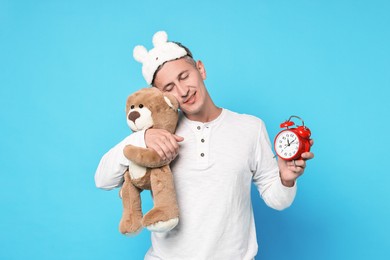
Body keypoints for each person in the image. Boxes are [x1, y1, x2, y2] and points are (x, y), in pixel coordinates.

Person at [95, 31, 314, 260]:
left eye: (184, 76)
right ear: (161, 96)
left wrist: (287, 179)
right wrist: (142, 138)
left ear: (200, 69)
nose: (182, 91)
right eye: (168, 88)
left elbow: (277, 200)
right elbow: (103, 180)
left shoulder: (250, 127)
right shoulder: (156, 136)